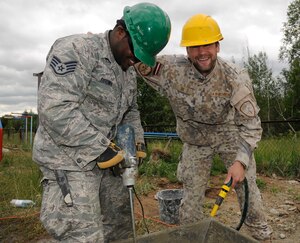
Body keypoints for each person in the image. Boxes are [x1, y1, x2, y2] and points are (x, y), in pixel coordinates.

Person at [32, 3, 171, 242]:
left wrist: (136, 141)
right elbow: (55, 108)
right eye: (135, 52)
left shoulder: (127, 70)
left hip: (107, 159)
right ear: (120, 32)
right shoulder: (75, 50)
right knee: (84, 235)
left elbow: (130, 110)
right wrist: (103, 149)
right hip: (68, 161)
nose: (135, 60)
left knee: (120, 226)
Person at [136, 14, 272, 241]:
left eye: (207, 44)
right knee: (190, 202)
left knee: (247, 188)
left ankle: (261, 236)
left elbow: (251, 125)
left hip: (229, 135)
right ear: (187, 50)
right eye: (194, 46)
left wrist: (240, 162)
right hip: (194, 141)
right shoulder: (169, 69)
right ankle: (191, 237)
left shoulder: (234, 78)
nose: (201, 52)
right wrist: (103, 42)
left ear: (217, 46)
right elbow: (134, 60)